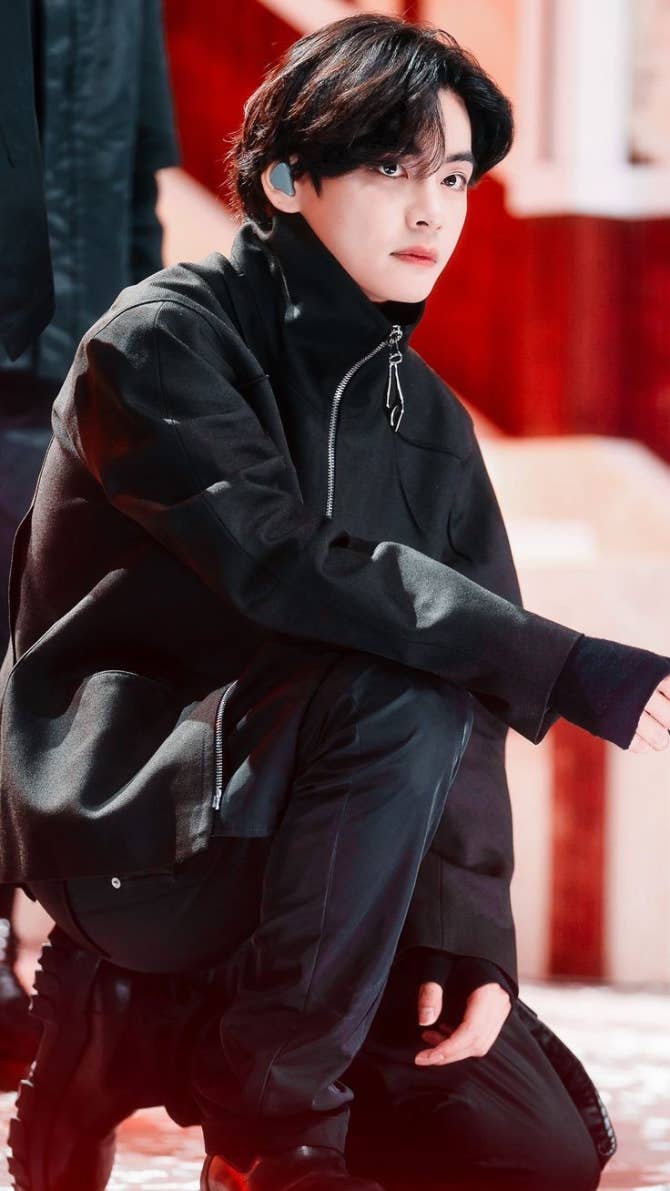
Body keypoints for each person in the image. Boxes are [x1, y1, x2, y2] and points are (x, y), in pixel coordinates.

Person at [0, 13, 668, 1191]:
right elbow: (282, 559)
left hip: (326, 863)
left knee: (528, 1152)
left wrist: (465, 935)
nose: (431, 212)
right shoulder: (158, 340)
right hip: (145, 826)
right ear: (284, 178)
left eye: (454, 179)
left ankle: (140, 1028)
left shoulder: (430, 419)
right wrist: (563, 663)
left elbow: (466, 691)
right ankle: (269, 1133)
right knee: (395, 683)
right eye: (392, 168)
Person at [0, 0, 180, 1088]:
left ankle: (72, 968)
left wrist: (140, 361)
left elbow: (137, 177)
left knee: (70, 678)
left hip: (81, 382)